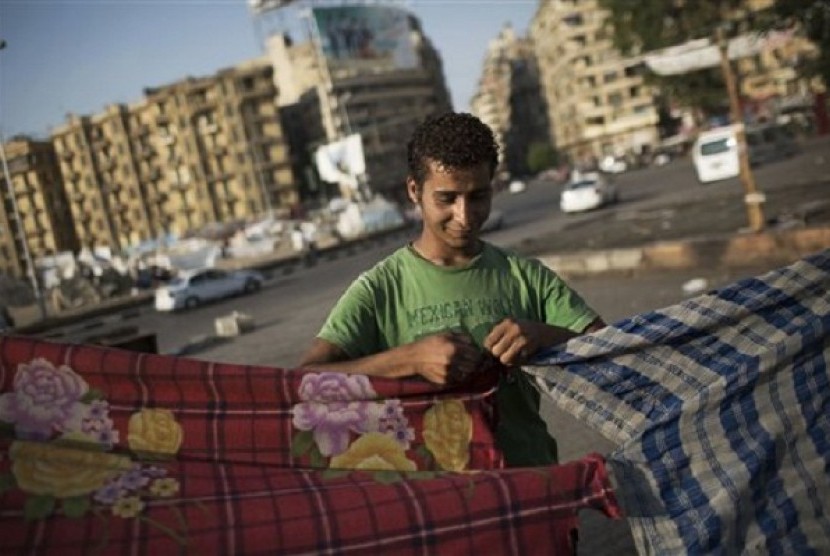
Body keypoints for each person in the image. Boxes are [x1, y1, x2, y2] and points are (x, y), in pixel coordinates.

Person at [298, 112, 605, 466]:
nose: (464, 215)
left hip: (533, 488)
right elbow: (304, 382)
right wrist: (409, 359)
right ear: (415, 190)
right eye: (447, 199)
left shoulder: (525, 276)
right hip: (436, 505)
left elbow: (611, 350)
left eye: (478, 197)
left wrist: (543, 335)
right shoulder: (379, 290)